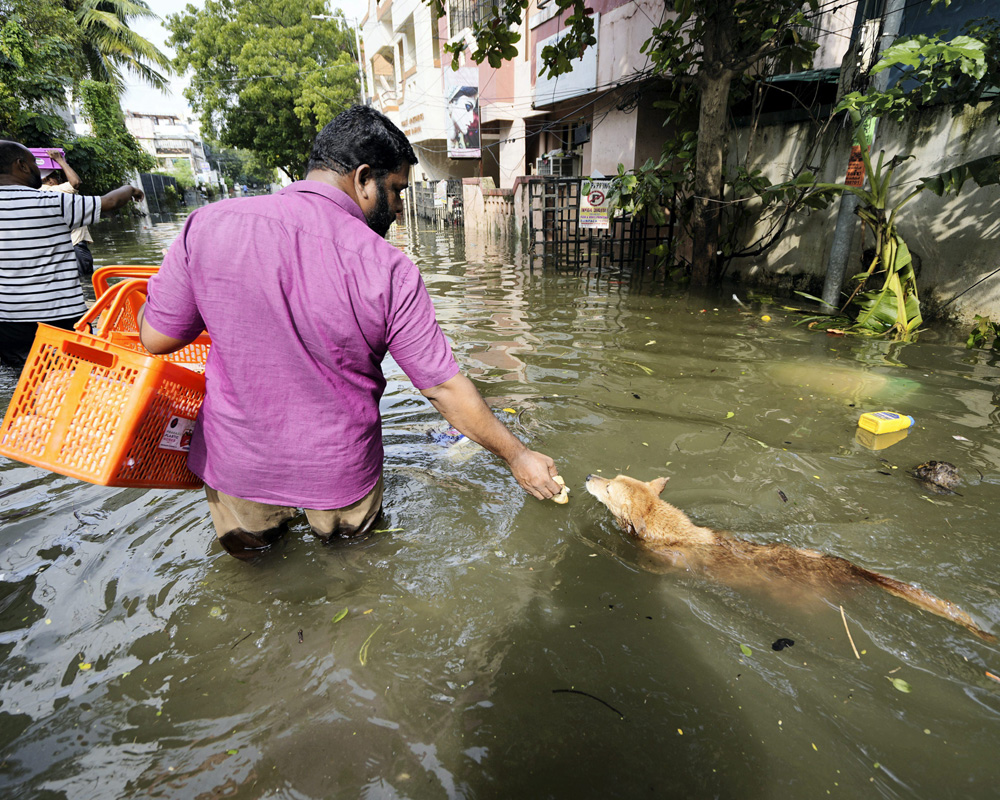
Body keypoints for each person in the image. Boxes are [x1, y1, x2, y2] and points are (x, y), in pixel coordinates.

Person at [138, 105, 562, 561]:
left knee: (255, 575)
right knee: (351, 576)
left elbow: (156, 339)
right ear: (363, 178)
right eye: (397, 190)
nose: (399, 209)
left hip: (239, 464)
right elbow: (441, 387)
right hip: (339, 473)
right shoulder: (389, 269)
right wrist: (517, 456)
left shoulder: (208, 226)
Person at [0, 140, 144, 372]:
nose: (38, 169)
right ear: (21, 166)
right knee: (70, 378)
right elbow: (111, 201)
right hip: (59, 317)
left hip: (7, 322)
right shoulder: (52, 202)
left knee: (25, 382)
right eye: (34, 163)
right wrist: (130, 189)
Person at [39, 149, 95, 277]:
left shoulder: (37, 193)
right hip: (75, 247)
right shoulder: (51, 190)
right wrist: (60, 160)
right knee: (87, 282)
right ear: (49, 180)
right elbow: (75, 182)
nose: (60, 179)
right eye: (57, 177)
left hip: (62, 250)